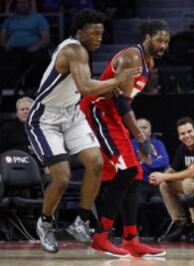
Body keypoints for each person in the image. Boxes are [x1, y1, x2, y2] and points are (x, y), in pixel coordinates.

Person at [24, 9, 141, 254]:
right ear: (80, 32)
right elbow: (86, 87)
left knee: (96, 163)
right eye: (95, 33)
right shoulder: (73, 50)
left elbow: (86, 85)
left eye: (102, 33)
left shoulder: (82, 51)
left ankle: (81, 221)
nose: (100, 38)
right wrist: (116, 80)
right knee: (63, 177)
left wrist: (107, 87)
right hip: (45, 118)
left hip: (72, 113)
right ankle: (45, 223)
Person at [80, 19, 170, 257]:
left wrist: (136, 135)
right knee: (128, 172)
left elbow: (124, 101)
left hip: (113, 116)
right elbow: (120, 103)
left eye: (167, 41)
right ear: (148, 37)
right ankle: (101, 236)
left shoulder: (149, 63)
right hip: (98, 112)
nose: (164, 45)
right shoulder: (132, 57)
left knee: (134, 173)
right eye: (160, 39)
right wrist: (140, 137)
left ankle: (131, 239)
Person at [150, 117, 194, 242]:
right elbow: (172, 170)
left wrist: (164, 176)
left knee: (188, 182)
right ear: (179, 136)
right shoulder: (182, 148)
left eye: (189, 131)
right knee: (164, 185)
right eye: (183, 133)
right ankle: (180, 223)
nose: (187, 136)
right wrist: (158, 178)